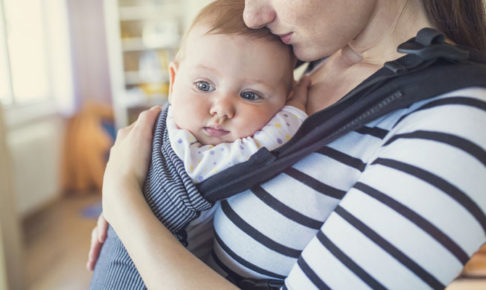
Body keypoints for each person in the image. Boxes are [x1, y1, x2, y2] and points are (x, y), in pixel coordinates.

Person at [88, 0, 486, 289]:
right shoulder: (312, 65)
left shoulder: (461, 120)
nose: (252, 14)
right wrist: (150, 189)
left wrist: (124, 202)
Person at [89, 1, 308, 288]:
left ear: (282, 97)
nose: (221, 109)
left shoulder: (172, 124)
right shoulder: (185, 150)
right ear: (173, 81)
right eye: (204, 86)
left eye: (250, 95)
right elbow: (254, 155)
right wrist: (294, 113)